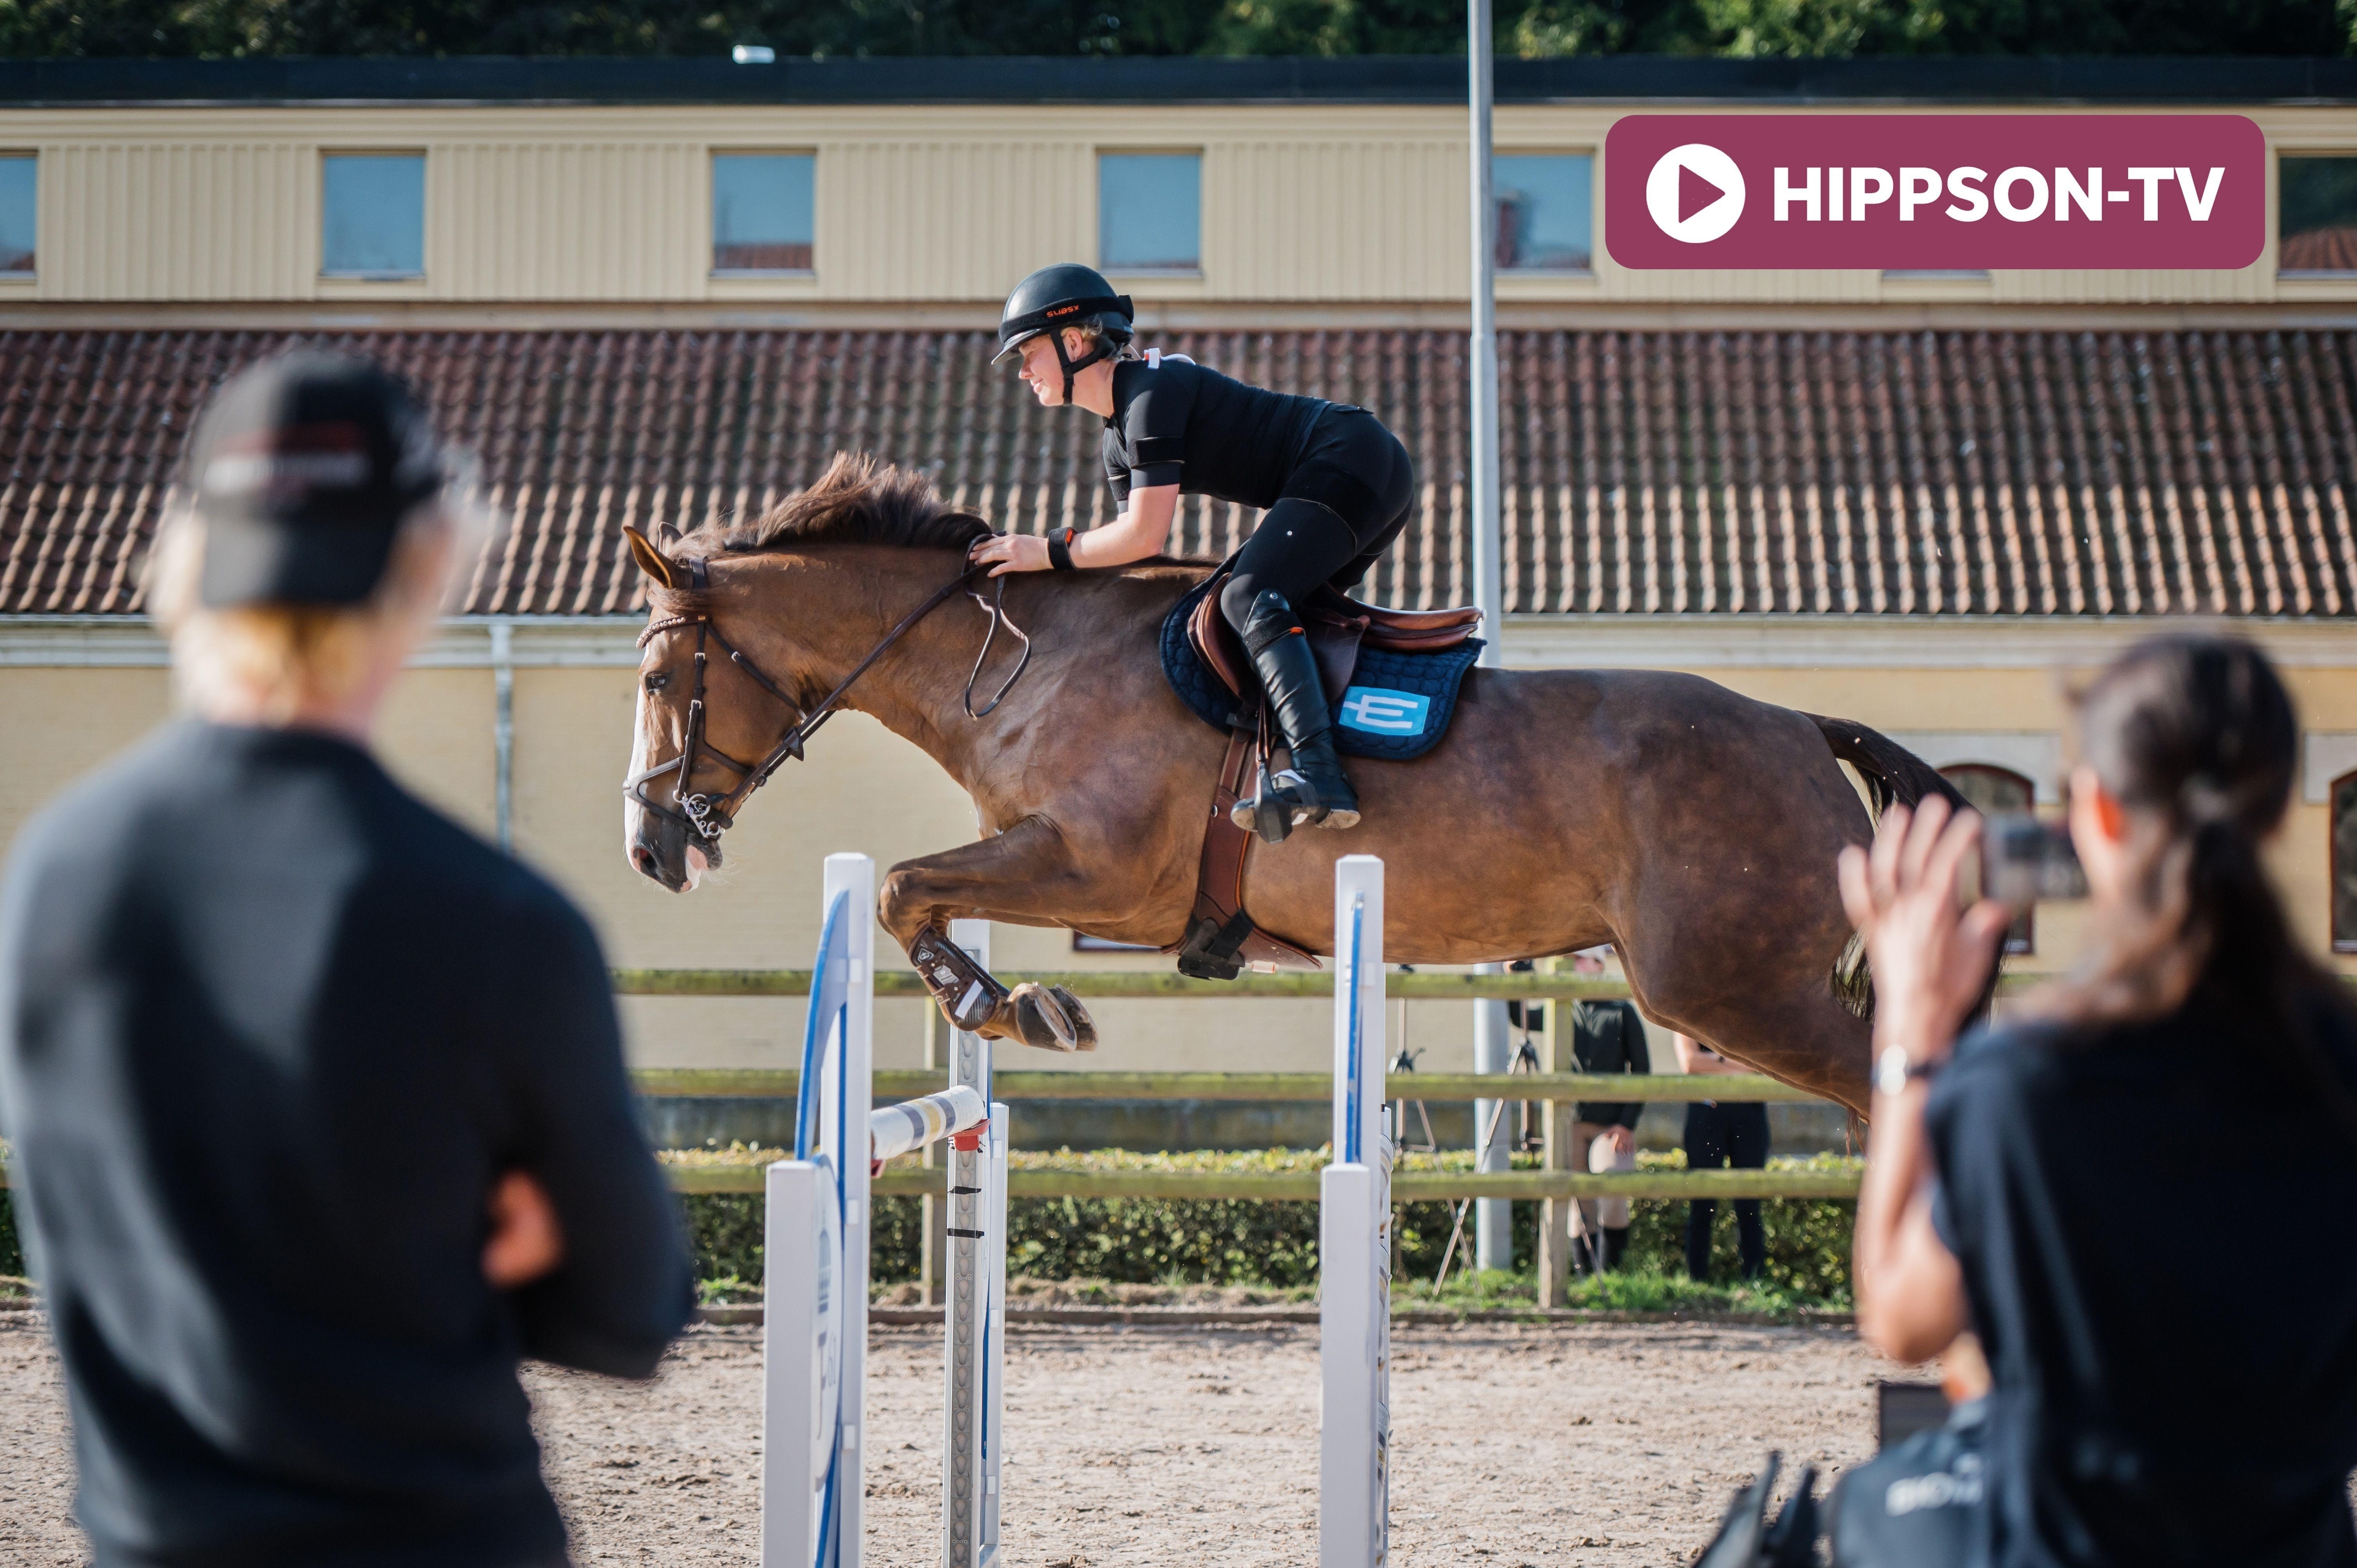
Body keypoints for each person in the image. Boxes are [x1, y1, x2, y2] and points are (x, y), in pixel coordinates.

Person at [0, 352, 695, 1568]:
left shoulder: (55, 879)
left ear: (186, 563)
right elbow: (633, 1309)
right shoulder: (497, 921)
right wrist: (478, 1227)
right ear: (430, 562)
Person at [1836, 633, 2357, 1567]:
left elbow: (1903, 1314)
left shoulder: (2021, 1085)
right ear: (2278, 811)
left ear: (2099, 816)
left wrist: (1909, 1038)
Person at [970, 262, 1417, 832]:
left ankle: (1319, 772)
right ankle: (1320, 760)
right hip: (1365, 468)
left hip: (1351, 458)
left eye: (1028, 352)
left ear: (1074, 342)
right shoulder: (1118, 436)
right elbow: (1126, 553)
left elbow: (1143, 535)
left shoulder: (1148, 397)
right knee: (1273, 625)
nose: (1022, 371)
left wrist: (1048, 550)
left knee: (1247, 595)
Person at [1562, 949, 1650, 1272]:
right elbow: (1520, 1018)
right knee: (1578, 1203)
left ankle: (1610, 1274)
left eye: (1580, 959)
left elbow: (1642, 1070)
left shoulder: (1622, 1011)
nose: (1574, 965)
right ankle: (1586, 1277)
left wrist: (1628, 1123)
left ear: (1599, 965)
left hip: (1611, 1125)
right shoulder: (1563, 1008)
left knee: (1613, 1197)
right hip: (1572, 1123)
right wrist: (1515, 976)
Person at [1674, 1032, 1769, 1283]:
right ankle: (1697, 1282)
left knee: (1750, 1203)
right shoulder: (1688, 1010)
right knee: (1702, 1202)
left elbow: (1761, 1064)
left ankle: (1755, 1281)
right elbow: (1689, 1062)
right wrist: (1735, 1064)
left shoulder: (1752, 1011)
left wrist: (1713, 1061)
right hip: (1706, 1114)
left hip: (1748, 1113)